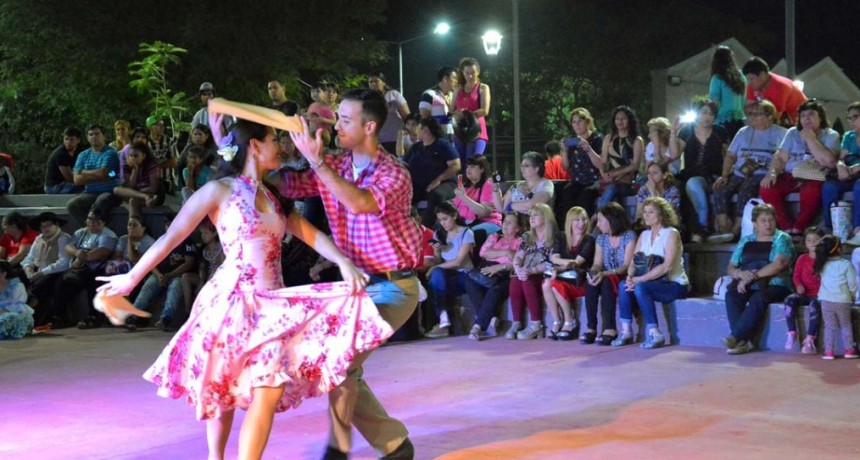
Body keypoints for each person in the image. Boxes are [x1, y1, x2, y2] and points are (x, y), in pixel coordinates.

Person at [97, 115, 391, 460]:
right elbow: (171, 237)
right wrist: (131, 279)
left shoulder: (274, 196)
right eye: (273, 140)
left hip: (271, 306)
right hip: (230, 302)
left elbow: (310, 233)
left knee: (269, 387)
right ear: (254, 146)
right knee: (221, 390)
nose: (280, 148)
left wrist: (343, 262)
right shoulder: (219, 190)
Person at [281, 88, 422, 459]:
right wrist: (242, 158)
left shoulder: (394, 173)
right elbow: (289, 184)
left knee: (338, 362)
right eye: (337, 117)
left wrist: (318, 164)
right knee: (340, 366)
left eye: (345, 119)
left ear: (370, 126)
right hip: (355, 285)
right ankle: (392, 445)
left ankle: (342, 449)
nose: (335, 125)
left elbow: (359, 203)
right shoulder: (339, 165)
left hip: (394, 287)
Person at [614, 197, 689, 349]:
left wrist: (640, 280)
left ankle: (655, 333)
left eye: (651, 212)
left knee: (641, 288)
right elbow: (635, 262)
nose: (646, 215)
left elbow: (667, 266)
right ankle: (626, 332)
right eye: (644, 212)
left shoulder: (671, 234)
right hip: (649, 281)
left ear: (661, 214)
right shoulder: (644, 235)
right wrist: (630, 277)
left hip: (673, 284)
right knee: (623, 286)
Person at [722, 204, 795, 355]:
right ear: (754, 223)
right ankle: (744, 341)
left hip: (776, 283)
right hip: (747, 282)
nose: (768, 224)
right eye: (763, 220)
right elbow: (731, 266)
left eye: (771, 220)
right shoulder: (746, 240)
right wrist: (739, 274)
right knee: (732, 295)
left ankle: (736, 337)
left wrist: (751, 277)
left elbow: (778, 265)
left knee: (758, 298)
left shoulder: (782, 238)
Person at [759, 99, 839, 238]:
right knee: (767, 187)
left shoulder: (831, 135)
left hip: (814, 174)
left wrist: (810, 139)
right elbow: (781, 157)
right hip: (791, 174)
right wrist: (772, 173)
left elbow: (829, 161)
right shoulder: (792, 133)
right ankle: (785, 226)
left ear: (820, 117)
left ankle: (799, 227)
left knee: (811, 190)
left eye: (811, 114)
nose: (806, 118)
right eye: (803, 116)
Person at [710, 100, 786, 242]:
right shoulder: (743, 132)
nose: (752, 117)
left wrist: (772, 173)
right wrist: (724, 175)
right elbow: (731, 155)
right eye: (751, 114)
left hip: (762, 174)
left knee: (747, 187)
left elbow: (783, 158)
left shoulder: (781, 133)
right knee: (720, 188)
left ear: (769, 116)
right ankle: (723, 227)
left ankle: (736, 229)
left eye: (757, 114)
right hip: (740, 172)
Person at [669, 99, 729, 242]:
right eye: (703, 113)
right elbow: (674, 155)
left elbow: (729, 155)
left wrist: (726, 174)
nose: (707, 117)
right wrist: (673, 132)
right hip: (693, 174)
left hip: (714, 174)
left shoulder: (720, 131)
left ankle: (702, 230)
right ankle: (701, 228)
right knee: (691, 185)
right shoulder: (687, 131)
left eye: (710, 114)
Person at [129, 212, 196, 331]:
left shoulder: (187, 241)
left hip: (177, 275)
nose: (168, 227)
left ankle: (166, 318)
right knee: (148, 286)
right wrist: (159, 275)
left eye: (172, 225)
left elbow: (188, 264)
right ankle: (132, 317)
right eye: (167, 225)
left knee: (174, 288)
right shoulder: (161, 240)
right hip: (160, 274)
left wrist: (169, 275)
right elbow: (151, 261)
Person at [464, 212, 525, 341]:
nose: (505, 225)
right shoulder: (495, 237)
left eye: (510, 222)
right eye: (505, 221)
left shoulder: (521, 241)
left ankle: (478, 326)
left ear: (518, 228)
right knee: (469, 281)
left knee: (495, 290)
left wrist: (499, 266)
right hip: (488, 269)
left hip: (507, 274)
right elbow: (483, 253)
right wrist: (506, 252)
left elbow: (517, 261)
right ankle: (490, 318)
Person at [581, 202, 636, 345]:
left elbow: (625, 265)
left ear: (612, 220)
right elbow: (597, 263)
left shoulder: (629, 236)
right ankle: (591, 327)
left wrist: (605, 274)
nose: (597, 224)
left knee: (606, 282)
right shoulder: (601, 238)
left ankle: (609, 328)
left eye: (600, 220)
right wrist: (593, 273)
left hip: (622, 276)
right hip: (605, 274)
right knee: (592, 282)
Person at [55, 208, 118, 329]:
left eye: (95, 220)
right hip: (81, 268)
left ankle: (94, 317)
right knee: (61, 282)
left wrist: (82, 258)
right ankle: (61, 317)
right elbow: (68, 247)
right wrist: (78, 253)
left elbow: (102, 252)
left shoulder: (108, 235)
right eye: (89, 219)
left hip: (98, 269)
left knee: (93, 282)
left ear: (103, 222)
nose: (91, 222)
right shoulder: (81, 232)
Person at [423, 202, 475, 339]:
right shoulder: (438, 234)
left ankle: (442, 318)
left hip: (464, 275)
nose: (443, 223)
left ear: (454, 216)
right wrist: (436, 252)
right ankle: (443, 317)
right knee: (436, 276)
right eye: (440, 220)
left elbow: (459, 261)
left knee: (436, 275)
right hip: (446, 275)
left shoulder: (466, 233)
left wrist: (436, 266)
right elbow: (439, 262)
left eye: (445, 219)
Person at [543, 207, 595, 341]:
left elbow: (577, 263)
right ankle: (557, 321)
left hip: (579, 279)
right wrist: (563, 264)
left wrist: (559, 267)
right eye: (577, 220)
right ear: (569, 222)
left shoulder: (589, 239)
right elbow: (554, 258)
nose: (581, 223)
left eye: (584, 219)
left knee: (554, 283)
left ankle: (570, 321)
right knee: (546, 284)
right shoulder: (560, 236)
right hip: (563, 276)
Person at [507, 203, 557, 340]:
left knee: (527, 280)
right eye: (530, 216)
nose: (532, 218)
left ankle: (536, 324)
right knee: (516, 280)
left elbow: (551, 262)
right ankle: (516, 322)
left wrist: (531, 270)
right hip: (527, 271)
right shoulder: (527, 236)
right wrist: (518, 268)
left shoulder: (554, 238)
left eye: (536, 215)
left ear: (545, 218)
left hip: (544, 273)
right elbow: (518, 256)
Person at [403, 117, 460, 228]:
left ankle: (426, 229)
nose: (416, 130)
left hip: (445, 183)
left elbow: (456, 165)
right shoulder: (416, 148)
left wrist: (438, 179)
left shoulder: (443, 145)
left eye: (418, 127)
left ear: (426, 130)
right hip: (419, 185)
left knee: (436, 195)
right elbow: (404, 165)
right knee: (403, 195)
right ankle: (404, 226)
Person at [21, 212, 72, 328]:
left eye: (49, 225)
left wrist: (41, 273)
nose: (46, 229)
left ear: (56, 225)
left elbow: (64, 262)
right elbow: (29, 257)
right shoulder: (39, 239)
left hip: (56, 272)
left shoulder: (63, 238)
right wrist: (28, 268)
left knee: (40, 287)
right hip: (38, 271)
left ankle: (39, 318)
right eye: (43, 226)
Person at [66, 124, 122, 226]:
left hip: (110, 191)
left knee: (101, 201)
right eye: (91, 134)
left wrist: (83, 172)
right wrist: (100, 176)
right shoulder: (83, 155)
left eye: (97, 134)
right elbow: (77, 180)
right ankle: (90, 229)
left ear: (103, 136)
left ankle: (100, 229)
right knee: (72, 205)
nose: (94, 136)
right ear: (87, 137)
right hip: (90, 192)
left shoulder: (110, 152)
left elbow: (103, 173)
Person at [814, 235, 858, 360]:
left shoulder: (822, 264)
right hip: (842, 301)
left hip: (826, 301)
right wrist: (853, 295)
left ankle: (829, 352)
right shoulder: (846, 264)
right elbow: (852, 284)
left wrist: (822, 240)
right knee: (845, 325)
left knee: (829, 326)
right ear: (839, 249)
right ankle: (849, 350)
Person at [783, 227, 824, 354]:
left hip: (818, 295)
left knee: (814, 306)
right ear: (805, 242)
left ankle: (810, 339)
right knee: (789, 300)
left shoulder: (824, 260)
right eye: (809, 240)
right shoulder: (802, 259)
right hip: (804, 293)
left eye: (816, 240)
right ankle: (792, 332)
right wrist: (798, 285)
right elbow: (796, 276)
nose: (812, 242)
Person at [823, 102, 860, 243]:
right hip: (849, 175)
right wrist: (840, 166)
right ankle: (830, 228)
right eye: (849, 118)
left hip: (858, 177)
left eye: (855, 117)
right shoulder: (849, 136)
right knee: (829, 186)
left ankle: (858, 229)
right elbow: (841, 158)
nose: (851, 122)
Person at [558, 107, 604, 216]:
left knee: (586, 196)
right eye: (574, 122)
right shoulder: (571, 141)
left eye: (580, 121)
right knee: (566, 194)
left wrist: (588, 148)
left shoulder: (597, 138)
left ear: (588, 122)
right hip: (576, 180)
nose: (577, 125)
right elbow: (565, 167)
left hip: (594, 180)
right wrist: (564, 151)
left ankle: (585, 226)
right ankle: (567, 227)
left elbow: (600, 164)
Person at [597, 106, 644, 209]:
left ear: (629, 120)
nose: (620, 121)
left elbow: (635, 165)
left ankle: (598, 215)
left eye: (623, 118)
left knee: (614, 189)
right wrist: (604, 175)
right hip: (610, 177)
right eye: (617, 119)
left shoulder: (636, 140)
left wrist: (617, 173)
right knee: (613, 191)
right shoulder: (608, 138)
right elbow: (603, 161)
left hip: (628, 179)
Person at [743, 56, 807, 126]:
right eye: (748, 79)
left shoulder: (781, 86)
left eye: (752, 78)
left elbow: (774, 117)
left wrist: (755, 114)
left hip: (800, 122)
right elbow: (748, 107)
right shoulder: (754, 85)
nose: (750, 82)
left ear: (762, 75)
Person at [181, 218, 224, 320]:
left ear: (214, 234)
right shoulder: (203, 250)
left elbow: (220, 266)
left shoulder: (222, 248)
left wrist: (209, 282)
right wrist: (202, 281)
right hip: (206, 278)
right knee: (186, 277)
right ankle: (188, 310)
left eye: (205, 233)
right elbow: (202, 268)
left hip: (219, 278)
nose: (202, 236)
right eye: (201, 233)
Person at [452, 57, 491, 165]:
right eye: (467, 73)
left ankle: (478, 181)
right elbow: (451, 111)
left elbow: (485, 110)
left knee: (475, 161)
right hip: (460, 131)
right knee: (460, 164)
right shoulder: (458, 89)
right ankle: (461, 182)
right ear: (462, 73)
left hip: (477, 130)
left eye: (473, 73)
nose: (470, 76)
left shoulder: (483, 88)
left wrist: (467, 114)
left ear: (478, 72)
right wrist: (456, 115)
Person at [453, 155, 502, 236]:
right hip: (466, 223)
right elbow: (455, 208)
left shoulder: (488, 185)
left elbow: (484, 212)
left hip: (487, 222)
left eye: (472, 167)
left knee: (469, 234)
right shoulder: (465, 186)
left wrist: (463, 197)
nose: (468, 169)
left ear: (482, 169)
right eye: (467, 167)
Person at [493, 151, 554, 216]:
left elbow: (533, 204)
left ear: (537, 168)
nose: (522, 168)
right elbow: (501, 209)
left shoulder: (546, 184)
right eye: (521, 166)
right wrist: (495, 188)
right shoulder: (516, 186)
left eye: (526, 166)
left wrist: (510, 206)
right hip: (515, 224)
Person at [113, 143, 161, 219]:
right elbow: (130, 186)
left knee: (133, 200)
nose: (132, 158)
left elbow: (153, 188)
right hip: (140, 194)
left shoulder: (152, 166)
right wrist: (135, 170)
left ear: (143, 156)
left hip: (153, 194)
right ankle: (144, 197)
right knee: (116, 190)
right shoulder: (129, 167)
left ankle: (133, 223)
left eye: (136, 156)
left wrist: (136, 192)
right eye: (130, 156)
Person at [709, 46, 747, 138]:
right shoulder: (741, 76)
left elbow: (714, 101)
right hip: (740, 120)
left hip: (722, 121)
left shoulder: (717, 78)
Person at [368, 73, 410, 155]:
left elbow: (406, 116)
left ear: (383, 82)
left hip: (397, 140)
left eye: (376, 81)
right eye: (370, 82)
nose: (373, 84)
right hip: (379, 142)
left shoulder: (393, 95)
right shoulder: (368, 101)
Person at [419, 66, 458, 138]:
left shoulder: (454, 95)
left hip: (453, 137)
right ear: (445, 78)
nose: (456, 81)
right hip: (436, 137)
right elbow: (424, 118)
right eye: (454, 78)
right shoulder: (429, 94)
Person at [44, 126, 84, 194]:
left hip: (65, 184)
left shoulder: (78, 151)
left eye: (71, 140)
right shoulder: (61, 154)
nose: (68, 142)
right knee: (85, 186)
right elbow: (70, 178)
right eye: (66, 139)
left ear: (78, 140)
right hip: (54, 187)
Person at [0, 260, 33, 340]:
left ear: (4, 274)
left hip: (17, 314)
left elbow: (20, 305)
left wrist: (3, 311)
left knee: (9, 318)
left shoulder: (17, 286)